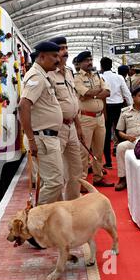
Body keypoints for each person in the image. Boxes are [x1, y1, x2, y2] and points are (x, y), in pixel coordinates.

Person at [18, 41, 64, 205]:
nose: (57, 60)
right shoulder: (37, 76)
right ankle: (37, 221)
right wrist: (31, 140)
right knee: (55, 183)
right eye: (54, 56)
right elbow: (23, 105)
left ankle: (53, 222)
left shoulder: (43, 74)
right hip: (42, 138)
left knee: (50, 182)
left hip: (46, 138)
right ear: (42, 56)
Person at [46, 37, 83, 200]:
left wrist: (79, 126)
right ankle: (55, 209)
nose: (65, 51)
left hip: (72, 128)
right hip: (56, 129)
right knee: (56, 172)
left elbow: (73, 100)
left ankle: (73, 203)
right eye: (61, 48)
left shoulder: (68, 72)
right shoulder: (48, 75)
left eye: (66, 48)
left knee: (76, 168)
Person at [74, 51, 114, 187]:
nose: (89, 62)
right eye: (86, 60)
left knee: (99, 150)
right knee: (83, 152)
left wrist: (92, 95)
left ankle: (98, 177)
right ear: (79, 63)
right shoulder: (77, 78)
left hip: (99, 118)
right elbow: (85, 92)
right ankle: (83, 182)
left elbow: (108, 92)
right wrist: (96, 93)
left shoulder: (98, 76)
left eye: (91, 59)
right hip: (85, 118)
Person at [114, 86, 140, 191]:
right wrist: (126, 136)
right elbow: (119, 131)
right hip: (132, 140)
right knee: (120, 147)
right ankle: (122, 178)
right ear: (133, 97)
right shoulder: (125, 112)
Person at [100, 57, 133, 169]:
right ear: (111, 65)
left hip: (105, 108)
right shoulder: (119, 77)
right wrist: (131, 107)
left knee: (106, 134)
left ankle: (108, 162)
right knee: (120, 133)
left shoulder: (100, 77)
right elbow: (127, 93)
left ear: (101, 66)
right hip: (118, 107)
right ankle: (125, 161)